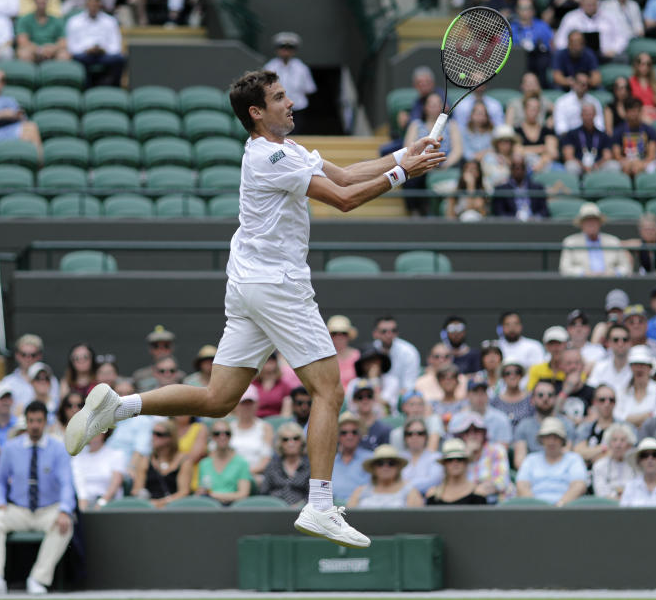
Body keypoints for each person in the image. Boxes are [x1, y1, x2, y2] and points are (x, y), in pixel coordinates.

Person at [67, 68, 446, 547]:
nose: (291, 103)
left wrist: (403, 155)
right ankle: (320, 505)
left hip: (248, 284)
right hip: (278, 286)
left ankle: (119, 406)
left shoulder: (285, 151)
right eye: (280, 97)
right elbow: (345, 199)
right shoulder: (272, 158)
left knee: (218, 399)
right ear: (256, 112)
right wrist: (402, 174)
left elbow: (347, 173)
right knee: (330, 391)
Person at [0, 401, 75, 593]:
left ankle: (38, 579)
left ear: (45, 422)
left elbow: (67, 484)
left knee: (66, 525)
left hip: (48, 509)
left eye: (39, 421)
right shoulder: (10, 448)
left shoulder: (58, 448)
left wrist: (65, 510)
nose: (34, 426)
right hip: (19, 509)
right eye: (31, 421)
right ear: (26, 422)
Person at [516, 417, 587, 506]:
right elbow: (522, 485)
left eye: (556, 437)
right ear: (541, 439)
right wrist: (535, 507)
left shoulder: (574, 459)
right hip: (534, 511)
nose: (551, 441)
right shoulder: (531, 459)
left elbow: (579, 485)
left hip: (566, 510)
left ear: (562, 440)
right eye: (547, 437)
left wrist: (560, 505)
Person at [0, 69, 42, 156]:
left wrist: (16, 115)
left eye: (1, 81)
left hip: (8, 130)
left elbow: (23, 118)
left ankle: (37, 163)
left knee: (31, 127)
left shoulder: (9, 100)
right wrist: (3, 114)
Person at [65, 0, 126, 87]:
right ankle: (86, 87)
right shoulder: (74, 21)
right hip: (84, 55)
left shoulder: (110, 21)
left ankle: (112, 87)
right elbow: (72, 47)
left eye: (95, 5)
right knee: (76, 58)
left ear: (99, 5)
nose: (93, 7)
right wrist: (86, 49)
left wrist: (104, 50)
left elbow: (116, 45)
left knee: (120, 59)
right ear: (86, 5)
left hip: (104, 55)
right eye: (91, 5)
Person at [560, 202, 632, 277]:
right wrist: (584, 273)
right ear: (581, 224)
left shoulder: (613, 241)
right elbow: (565, 269)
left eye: (594, 220)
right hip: (581, 284)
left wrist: (613, 273)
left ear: (599, 222)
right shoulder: (570, 242)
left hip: (611, 283)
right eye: (587, 220)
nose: (591, 223)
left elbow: (626, 267)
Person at [513, 381, 574, 468]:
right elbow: (519, 461)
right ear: (532, 400)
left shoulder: (567, 424)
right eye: (540, 395)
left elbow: (567, 454)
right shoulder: (524, 426)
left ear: (556, 399)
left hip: (560, 473)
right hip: (532, 475)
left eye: (550, 395)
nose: (545, 399)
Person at [264, 32, 316, 135]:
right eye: (282, 47)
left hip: (297, 107)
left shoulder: (302, 68)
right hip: (277, 108)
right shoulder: (269, 67)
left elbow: (309, 89)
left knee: (296, 135)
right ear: (277, 50)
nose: (286, 51)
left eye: (289, 48)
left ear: (294, 50)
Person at [347, 445, 423, 508]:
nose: (385, 467)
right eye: (380, 463)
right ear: (374, 468)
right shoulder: (360, 492)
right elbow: (348, 519)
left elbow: (415, 520)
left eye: (391, 463)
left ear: (397, 467)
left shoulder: (410, 491)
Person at [136, 419, 191, 507]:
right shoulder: (146, 460)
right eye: (153, 433)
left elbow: (184, 492)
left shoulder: (183, 460)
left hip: (175, 507)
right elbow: (137, 489)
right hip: (149, 507)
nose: (154, 437)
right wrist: (148, 502)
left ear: (170, 438)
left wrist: (161, 503)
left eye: (159, 434)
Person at [197, 418, 252, 505]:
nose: (222, 437)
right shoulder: (204, 464)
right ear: (212, 437)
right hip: (209, 509)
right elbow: (202, 491)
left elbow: (243, 494)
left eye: (227, 433)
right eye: (217, 434)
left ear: (231, 436)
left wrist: (214, 495)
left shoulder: (242, 463)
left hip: (233, 509)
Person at [405, 92, 462, 169]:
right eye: (431, 104)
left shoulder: (452, 125)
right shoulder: (415, 125)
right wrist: (423, 165)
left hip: (445, 168)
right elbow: (408, 149)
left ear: (443, 107)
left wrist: (444, 165)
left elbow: (457, 151)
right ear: (425, 107)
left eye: (437, 104)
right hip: (420, 167)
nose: (434, 107)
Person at [261, 421, 310, 506]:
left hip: (303, 513)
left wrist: (299, 506)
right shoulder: (272, 465)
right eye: (285, 439)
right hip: (275, 512)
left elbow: (313, 495)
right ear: (280, 443)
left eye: (296, 438)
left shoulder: (309, 466)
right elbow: (264, 493)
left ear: (301, 441)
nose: (291, 443)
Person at [424, 438, 487, 505]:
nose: (455, 463)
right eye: (450, 459)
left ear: (466, 462)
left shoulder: (478, 493)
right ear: (444, 464)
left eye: (459, 459)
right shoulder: (433, 494)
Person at [330, 412, 373, 504]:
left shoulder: (370, 459)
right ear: (337, 436)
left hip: (362, 508)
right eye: (344, 433)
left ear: (360, 435)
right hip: (334, 510)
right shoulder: (330, 462)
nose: (349, 436)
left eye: (354, 432)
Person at [371, 316, 421, 393]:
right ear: (375, 333)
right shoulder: (370, 352)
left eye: (393, 331)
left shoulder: (409, 352)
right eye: (384, 331)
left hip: (401, 398)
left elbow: (409, 387)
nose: (389, 335)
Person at [491, 153, 550, 219]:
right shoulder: (501, 189)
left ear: (525, 169)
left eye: (521, 167)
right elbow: (498, 212)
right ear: (511, 169)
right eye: (515, 167)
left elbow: (545, 211)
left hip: (534, 225)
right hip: (511, 225)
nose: (518, 170)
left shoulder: (537, 188)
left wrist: (535, 218)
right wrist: (514, 218)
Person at [616, 346, 656, 427]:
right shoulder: (621, 390)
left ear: (650, 367)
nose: (639, 369)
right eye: (636, 365)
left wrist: (630, 419)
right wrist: (646, 416)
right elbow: (618, 418)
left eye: (643, 365)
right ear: (631, 367)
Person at [591, 422, 638, 500]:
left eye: (622, 440)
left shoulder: (637, 465)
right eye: (614, 440)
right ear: (609, 444)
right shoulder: (599, 466)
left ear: (629, 445)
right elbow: (600, 493)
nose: (618, 444)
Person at [398, 417, 443, 495]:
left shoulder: (436, 457)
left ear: (426, 436)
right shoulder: (398, 458)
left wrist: (405, 485)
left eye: (420, 433)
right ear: (405, 437)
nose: (415, 437)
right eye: (410, 434)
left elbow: (434, 481)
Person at [554, 71, 605, 137]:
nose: (584, 87)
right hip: (569, 138)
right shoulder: (562, 102)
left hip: (591, 138)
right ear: (574, 83)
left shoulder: (594, 102)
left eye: (586, 84)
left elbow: (600, 126)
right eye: (581, 84)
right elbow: (560, 128)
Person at [526, 326, 570, 392]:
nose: (555, 348)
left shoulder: (573, 369)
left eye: (559, 343)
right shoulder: (536, 369)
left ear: (566, 344)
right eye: (551, 344)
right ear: (546, 346)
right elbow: (530, 393)